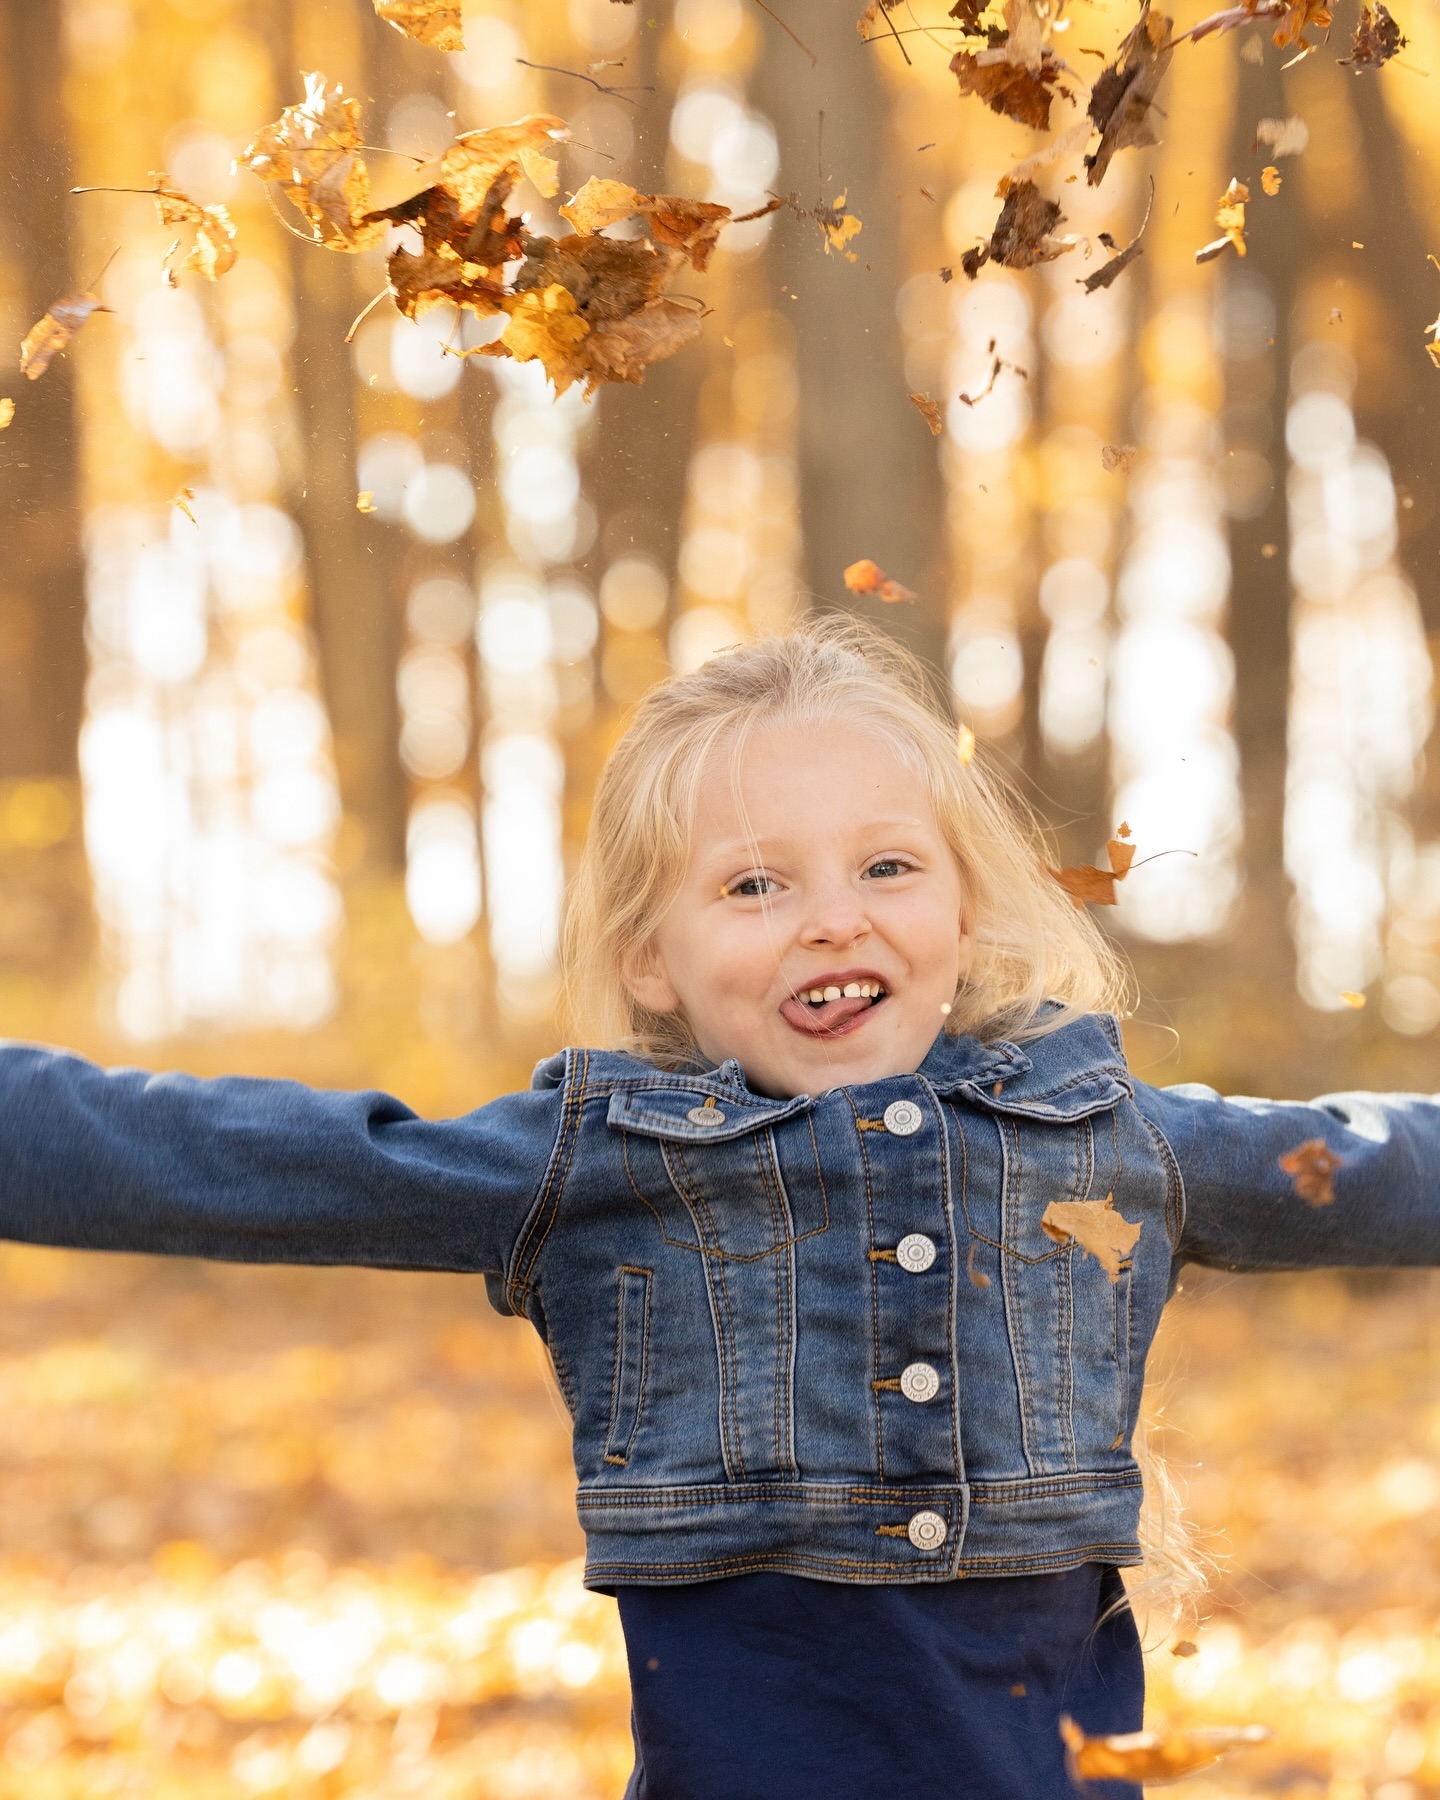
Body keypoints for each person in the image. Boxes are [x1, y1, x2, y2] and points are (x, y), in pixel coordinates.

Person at [0, 620, 1436, 1799]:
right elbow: (229, 1156)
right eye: (756, 884)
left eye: (887, 867)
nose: (834, 917)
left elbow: (1361, 1162)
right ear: (654, 962)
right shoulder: (602, 1165)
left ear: (962, 913)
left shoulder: (1103, 1140)